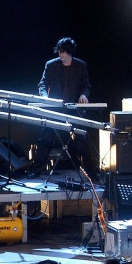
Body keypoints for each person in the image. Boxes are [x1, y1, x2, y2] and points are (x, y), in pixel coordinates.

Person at [28, 37, 96, 179]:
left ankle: (92, 172)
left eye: (64, 52)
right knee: (46, 137)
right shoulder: (51, 65)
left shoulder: (80, 66)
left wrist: (84, 95)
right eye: (59, 51)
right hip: (55, 107)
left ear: (70, 52)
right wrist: (45, 97)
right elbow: (42, 84)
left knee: (82, 140)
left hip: (74, 108)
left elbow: (86, 85)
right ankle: (36, 170)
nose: (61, 54)